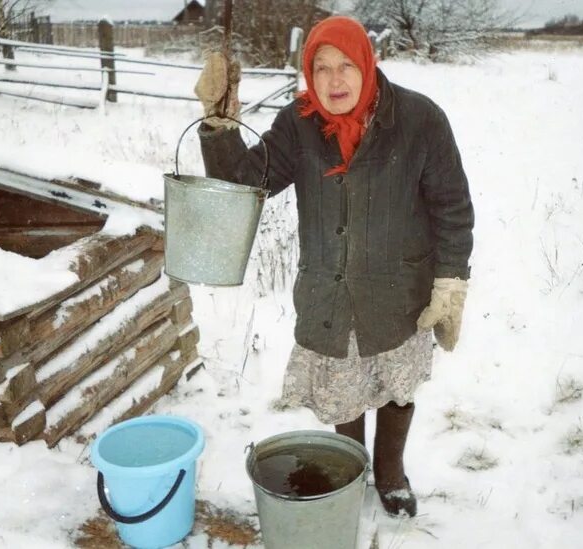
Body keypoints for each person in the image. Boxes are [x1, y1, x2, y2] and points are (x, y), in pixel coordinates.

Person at [194, 15, 474, 518]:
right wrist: (217, 124)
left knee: (395, 386)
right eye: (321, 68)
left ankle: (390, 471)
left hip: (401, 291)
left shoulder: (419, 120)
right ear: (308, 72)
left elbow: (452, 206)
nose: (335, 80)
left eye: (347, 65)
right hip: (333, 292)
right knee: (345, 389)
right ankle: (354, 466)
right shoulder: (298, 124)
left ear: (369, 64)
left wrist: (450, 281)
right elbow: (241, 188)